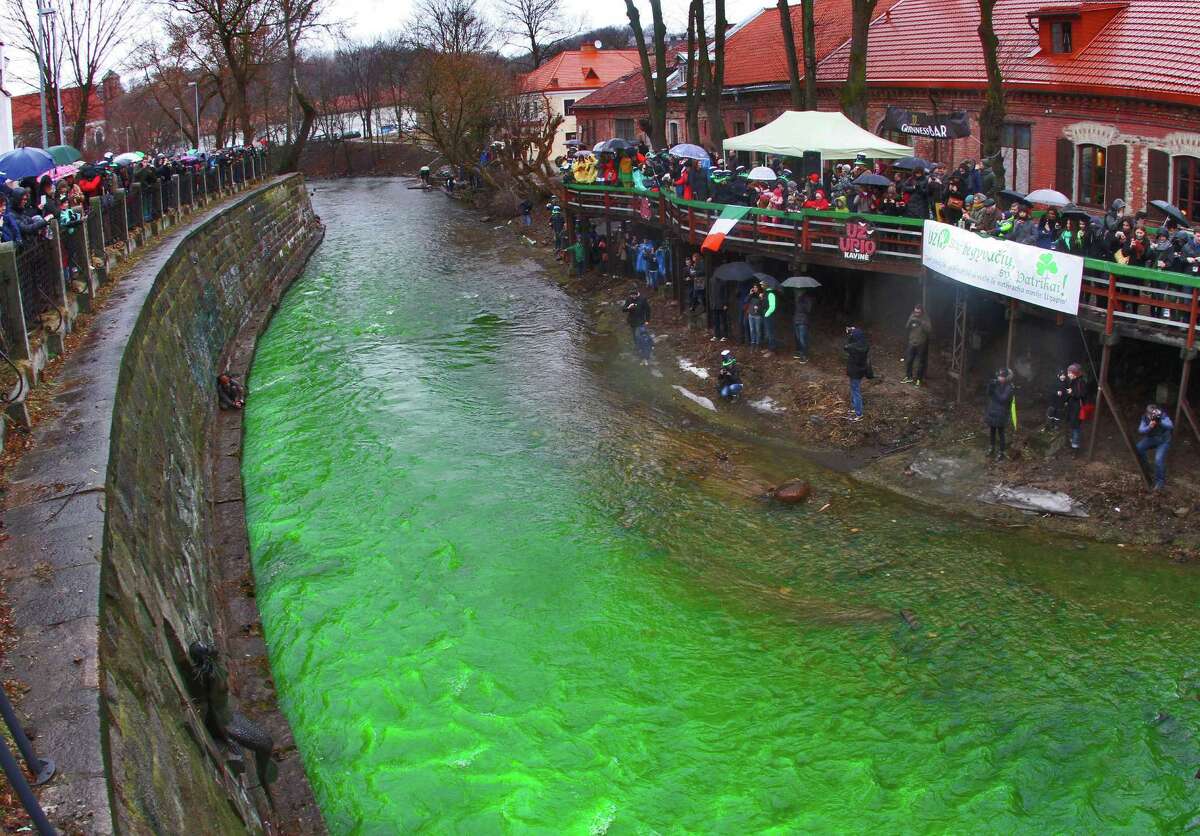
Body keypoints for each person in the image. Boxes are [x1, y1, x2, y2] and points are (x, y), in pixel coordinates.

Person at [1136, 404, 1173, 490]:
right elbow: (1140, 430)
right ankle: (1147, 467)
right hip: (1151, 439)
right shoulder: (1145, 417)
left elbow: (1170, 425)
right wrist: (1149, 427)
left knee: (1158, 460)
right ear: (1147, 413)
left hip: (1163, 441)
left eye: (1154, 414)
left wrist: (1160, 421)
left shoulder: (1162, 415)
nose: (1152, 416)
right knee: (1138, 448)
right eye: (1150, 414)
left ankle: (1160, 482)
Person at [984, 368, 1015, 461]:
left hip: (1002, 412)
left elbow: (1003, 399)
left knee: (1001, 433)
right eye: (999, 376)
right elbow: (988, 394)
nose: (999, 378)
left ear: (1006, 378)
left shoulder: (1010, 387)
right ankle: (992, 447)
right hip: (993, 410)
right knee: (992, 431)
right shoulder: (996, 383)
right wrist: (990, 386)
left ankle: (1001, 452)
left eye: (1001, 376)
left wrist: (994, 390)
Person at [844, 326, 871, 421]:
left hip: (854, 371)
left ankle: (858, 414)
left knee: (856, 391)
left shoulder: (853, 347)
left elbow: (846, 346)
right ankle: (855, 408)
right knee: (854, 389)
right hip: (860, 370)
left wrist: (850, 334)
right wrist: (854, 331)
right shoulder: (865, 345)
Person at [902, 304, 932, 385]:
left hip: (921, 343)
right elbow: (907, 327)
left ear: (921, 312)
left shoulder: (925, 318)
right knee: (909, 360)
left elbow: (929, 330)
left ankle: (919, 379)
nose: (916, 314)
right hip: (912, 342)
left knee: (920, 362)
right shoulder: (912, 315)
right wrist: (910, 321)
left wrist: (921, 323)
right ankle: (909, 377)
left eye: (918, 312)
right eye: (915, 312)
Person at [1064, 362, 1087, 450]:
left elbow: (1082, 394)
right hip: (1072, 407)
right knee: (1073, 426)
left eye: (1070, 373)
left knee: (1076, 427)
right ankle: (1073, 442)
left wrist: (1071, 393)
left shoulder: (1081, 382)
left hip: (1077, 408)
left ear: (1076, 373)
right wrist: (1067, 400)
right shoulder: (1073, 381)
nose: (1068, 374)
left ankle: (1075, 448)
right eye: (1068, 372)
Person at [792, 289, 813, 362]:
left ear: (803, 290)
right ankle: (800, 352)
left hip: (803, 321)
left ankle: (805, 355)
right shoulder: (798, 299)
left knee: (802, 339)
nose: (798, 292)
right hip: (796, 320)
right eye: (797, 291)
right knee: (797, 338)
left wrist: (801, 302)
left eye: (799, 291)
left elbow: (808, 310)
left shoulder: (807, 299)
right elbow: (797, 310)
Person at [761, 281, 778, 354]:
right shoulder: (765, 293)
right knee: (768, 332)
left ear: (766, 285)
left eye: (762, 284)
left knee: (771, 332)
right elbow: (765, 303)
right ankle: (769, 348)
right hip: (766, 314)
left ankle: (772, 349)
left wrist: (766, 314)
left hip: (769, 316)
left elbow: (772, 307)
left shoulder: (771, 294)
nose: (761, 286)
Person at [746, 283, 764, 348]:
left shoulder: (761, 295)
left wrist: (761, 299)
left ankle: (757, 343)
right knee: (752, 329)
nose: (755, 288)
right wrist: (749, 294)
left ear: (758, 288)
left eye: (756, 287)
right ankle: (752, 342)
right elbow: (745, 301)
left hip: (758, 315)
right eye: (754, 287)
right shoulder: (751, 295)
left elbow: (763, 306)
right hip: (750, 315)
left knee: (758, 330)